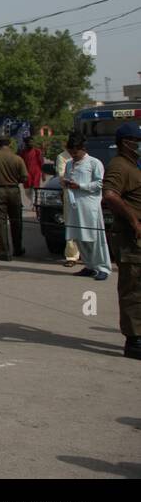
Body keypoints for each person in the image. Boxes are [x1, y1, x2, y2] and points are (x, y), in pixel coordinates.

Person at [101, 123, 141, 360]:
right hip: (130, 238)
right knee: (133, 290)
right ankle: (134, 340)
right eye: (137, 141)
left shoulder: (132, 165)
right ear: (126, 142)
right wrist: (134, 221)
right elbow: (110, 195)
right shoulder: (119, 166)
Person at [62, 133, 107, 280]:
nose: (73, 155)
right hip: (74, 205)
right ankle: (89, 265)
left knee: (94, 237)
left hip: (89, 206)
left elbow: (100, 183)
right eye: (71, 152)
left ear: (83, 149)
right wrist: (66, 183)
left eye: (75, 152)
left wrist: (80, 186)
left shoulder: (94, 163)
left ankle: (102, 268)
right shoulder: (69, 164)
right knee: (79, 238)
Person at [0, 137, 28, 260]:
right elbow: (24, 177)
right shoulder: (18, 158)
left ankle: (4, 252)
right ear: (9, 144)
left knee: (0, 222)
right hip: (14, 191)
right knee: (16, 221)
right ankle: (18, 249)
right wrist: (14, 180)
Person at [55, 144, 81, 266]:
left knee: (87, 226)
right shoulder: (63, 158)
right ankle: (72, 256)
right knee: (70, 225)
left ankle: (89, 256)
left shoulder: (90, 159)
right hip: (70, 195)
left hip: (85, 195)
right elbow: (62, 176)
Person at [21, 138, 44, 203]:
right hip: (26, 173)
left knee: (35, 188)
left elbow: (41, 162)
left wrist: (43, 173)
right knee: (27, 190)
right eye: (29, 142)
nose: (31, 144)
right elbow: (21, 163)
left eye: (32, 142)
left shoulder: (37, 151)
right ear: (26, 144)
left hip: (36, 172)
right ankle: (32, 200)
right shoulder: (23, 152)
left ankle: (34, 203)